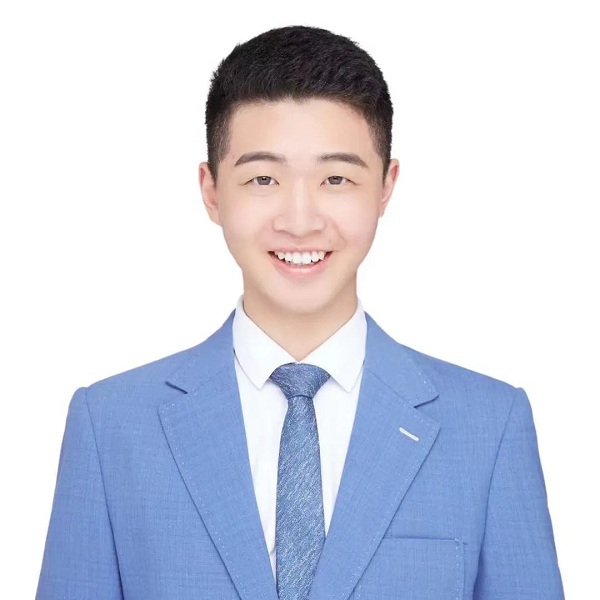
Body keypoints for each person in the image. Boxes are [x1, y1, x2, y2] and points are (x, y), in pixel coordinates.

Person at [36, 25, 564, 600]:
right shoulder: (111, 426)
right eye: (263, 178)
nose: (300, 219)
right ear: (211, 190)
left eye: (336, 178)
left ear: (385, 187)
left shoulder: (489, 427)